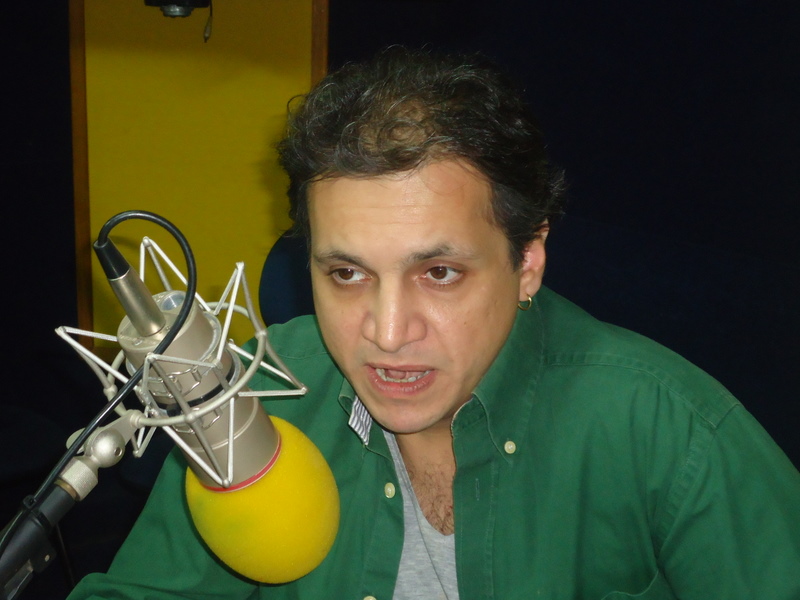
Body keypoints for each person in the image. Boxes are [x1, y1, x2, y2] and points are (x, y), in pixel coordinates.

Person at [68, 48, 800, 599]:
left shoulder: (673, 437)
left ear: (528, 261)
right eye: (346, 274)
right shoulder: (251, 400)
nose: (387, 334)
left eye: (439, 273)